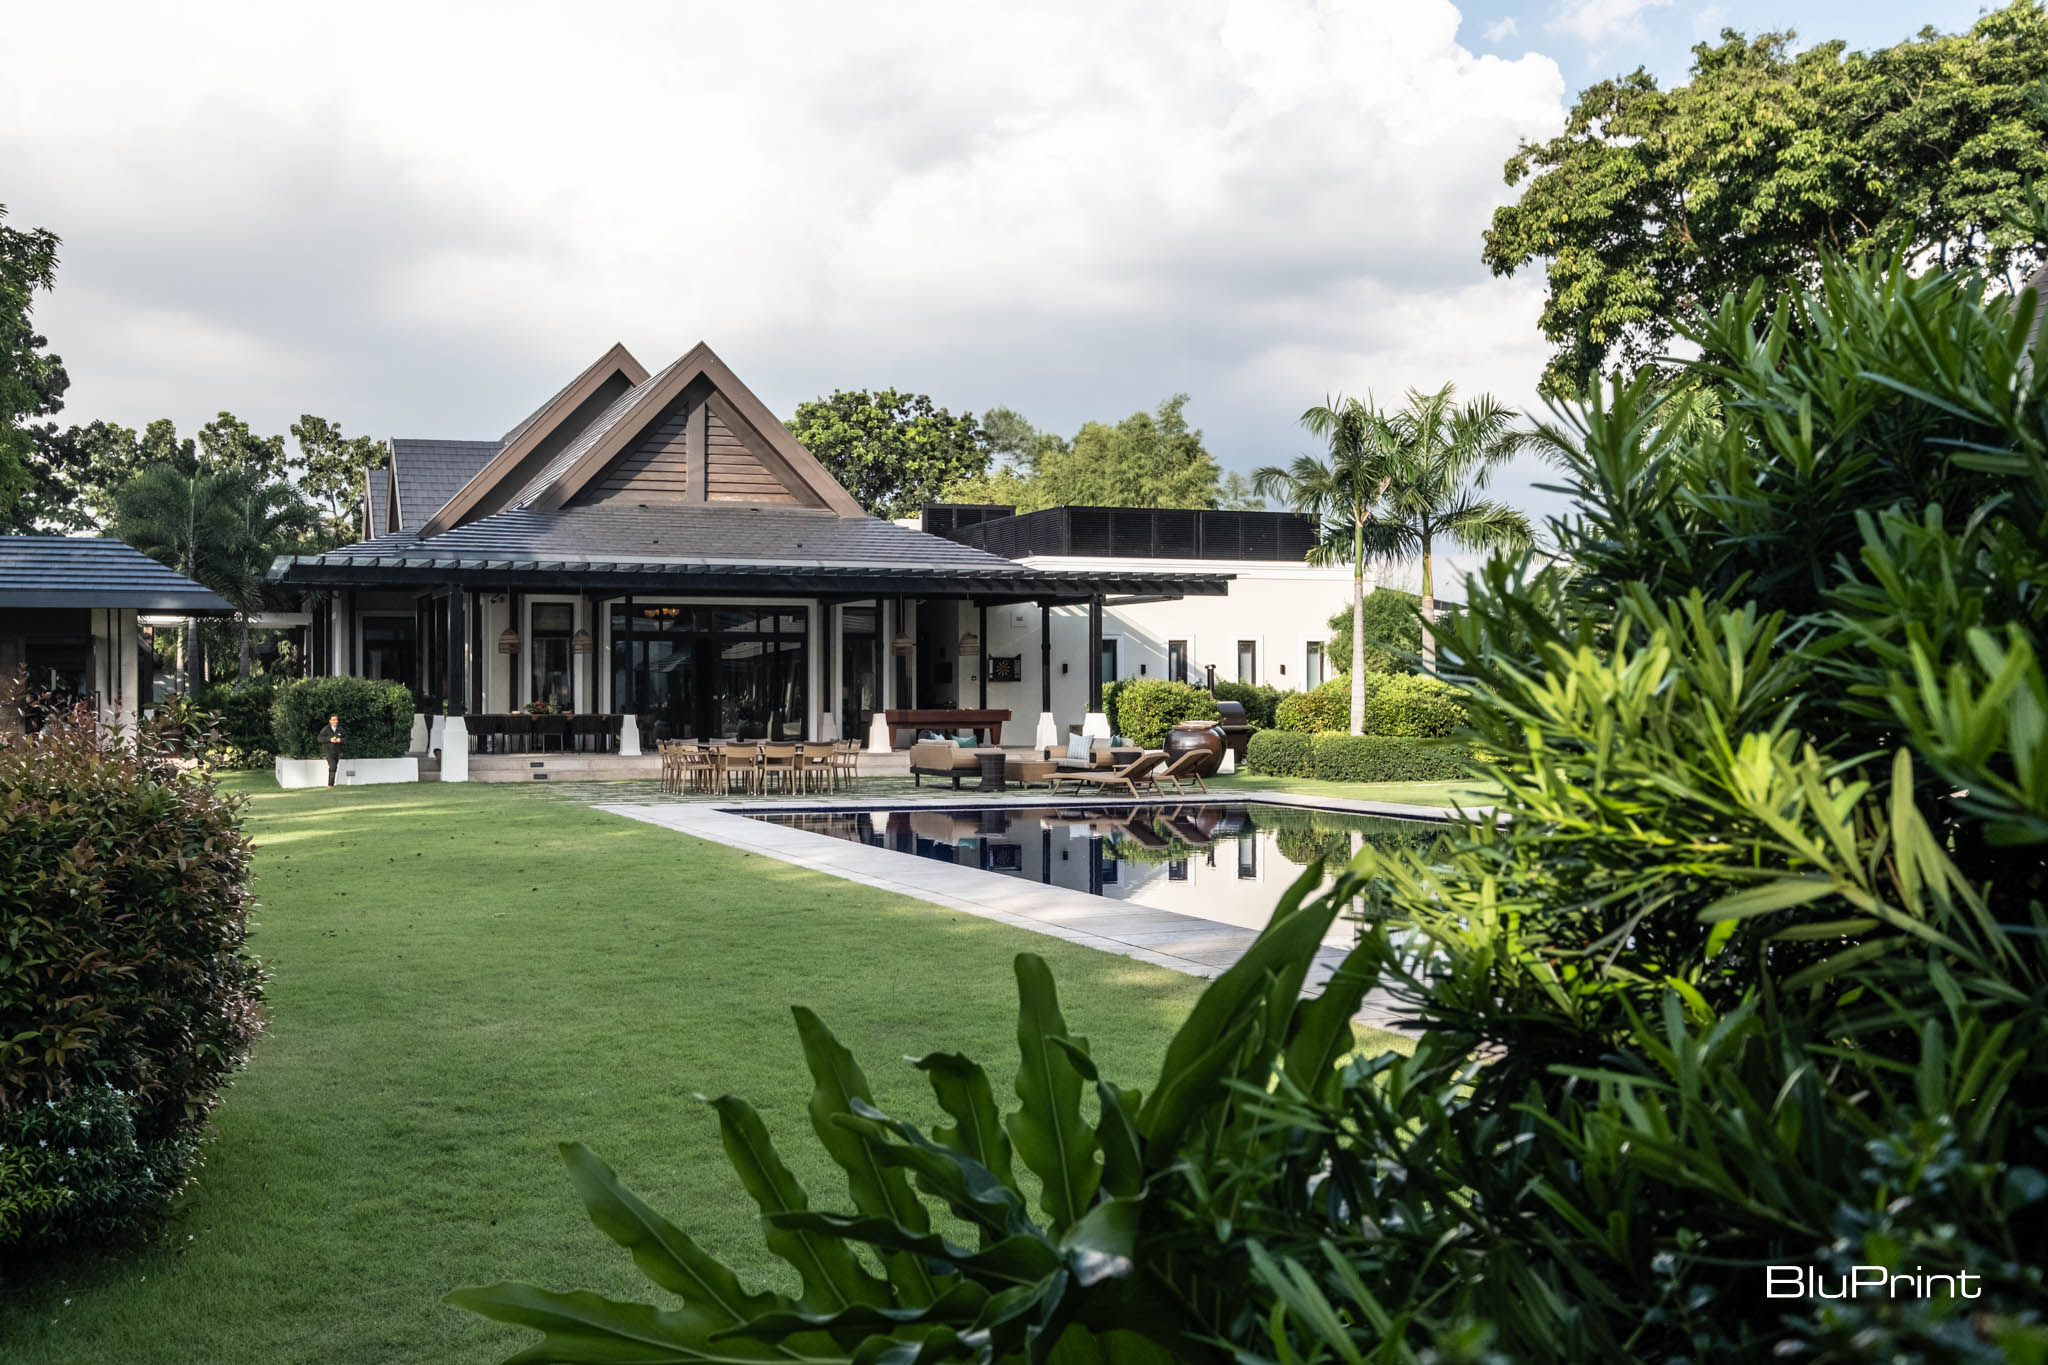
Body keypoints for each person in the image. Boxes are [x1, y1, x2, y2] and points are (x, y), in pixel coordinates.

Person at [316, 712, 345, 787]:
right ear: (330, 721)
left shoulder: (340, 729)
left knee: (334, 767)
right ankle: (330, 785)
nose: (336, 721)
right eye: (334, 720)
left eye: (336, 720)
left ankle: (331, 784)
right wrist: (330, 739)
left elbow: (346, 739)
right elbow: (319, 738)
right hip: (328, 752)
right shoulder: (326, 729)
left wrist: (340, 740)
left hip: (337, 752)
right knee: (332, 767)